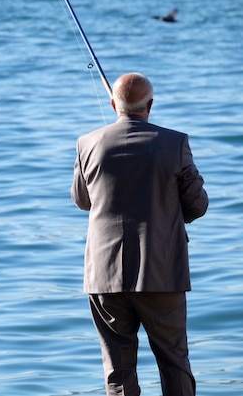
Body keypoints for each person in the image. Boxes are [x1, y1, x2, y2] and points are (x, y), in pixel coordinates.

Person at [71, 73, 209, 396]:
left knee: (118, 373)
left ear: (113, 104)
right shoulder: (175, 143)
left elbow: (81, 200)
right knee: (174, 363)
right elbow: (198, 205)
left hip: (104, 275)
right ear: (150, 105)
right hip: (161, 272)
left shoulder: (86, 144)